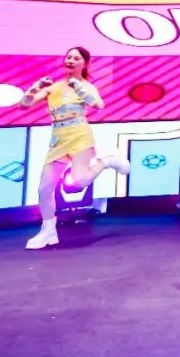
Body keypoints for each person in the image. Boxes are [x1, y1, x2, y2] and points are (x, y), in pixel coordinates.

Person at [19, 47, 131, 250]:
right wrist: (34, 88)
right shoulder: (53, 88)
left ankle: (106, 161)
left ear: (84, 63)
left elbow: (98, 105)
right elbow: (24, 105)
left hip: (80, 136)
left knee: (80, 182)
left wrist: (79, 89)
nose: (70, 60)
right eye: (68, 57)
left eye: (76, 58)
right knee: (44, 188)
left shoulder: (87, 86)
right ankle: (48, 231)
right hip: (58, 141)